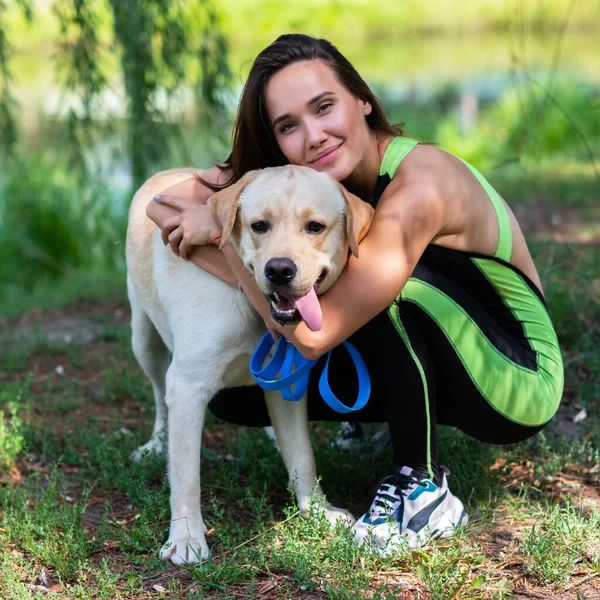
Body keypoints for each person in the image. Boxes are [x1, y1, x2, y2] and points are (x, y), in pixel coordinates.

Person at [147, 34, 563, 552]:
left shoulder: (420, 184)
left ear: (362, 99)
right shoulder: (308, 183)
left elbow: (313, 336)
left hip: (515, 375)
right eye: (288, 126)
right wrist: (224, 218)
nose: (314, 136)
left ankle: (422, 486)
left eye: (325, 107)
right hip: (446, 349)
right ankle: (379, 419)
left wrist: (225, 237)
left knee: (384, 285)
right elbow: (162, 205)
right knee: (241, 394)